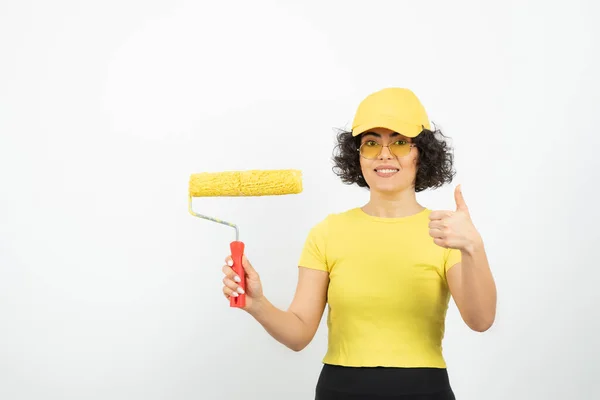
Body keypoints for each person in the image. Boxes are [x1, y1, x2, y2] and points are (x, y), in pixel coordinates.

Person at [220, 87, 497, 399]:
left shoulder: (445, 231)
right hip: (340, 390)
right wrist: (257, 304)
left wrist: (473, 246)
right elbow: (298, 333)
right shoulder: (327, 232)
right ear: (358, 155)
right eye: (371, 143)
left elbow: (481, 320)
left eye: (400, 142)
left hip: (423, 391)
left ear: (422, 152)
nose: (384, 154)